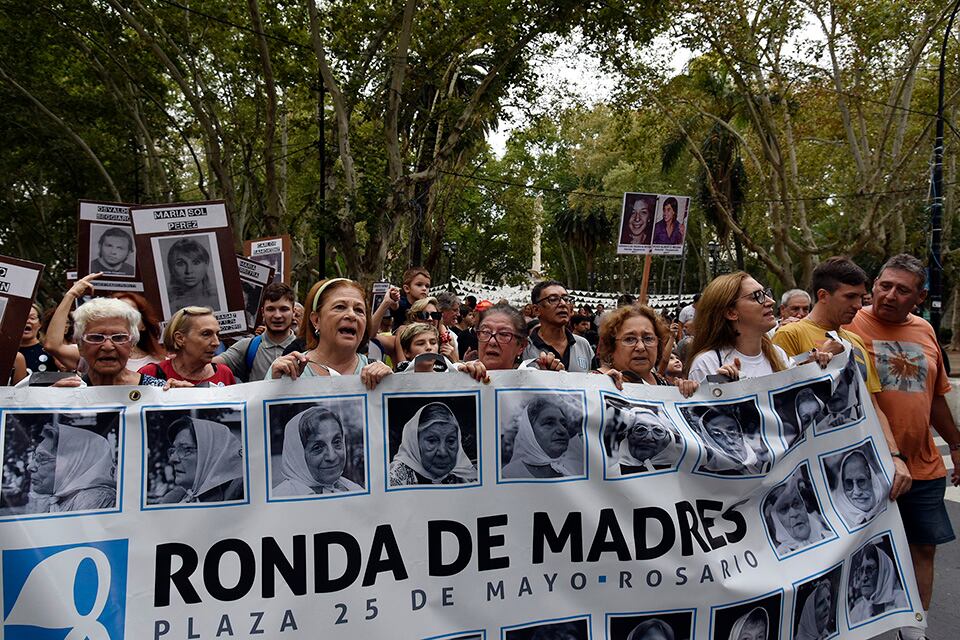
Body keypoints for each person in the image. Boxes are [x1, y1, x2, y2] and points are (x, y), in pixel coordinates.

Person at [845, 254, 960, 639]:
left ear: (920, 297)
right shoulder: (848, 324)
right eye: (884, 285)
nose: (889, 295)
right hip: (864, 468)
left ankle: (915, 632)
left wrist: (957, 444)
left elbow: (937, 397)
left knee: (922, 549)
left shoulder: (926, 331)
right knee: (854, 556)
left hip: (924, 465)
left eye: (902, 290)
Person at [773, 257, 910, 496]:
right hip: (812, 470)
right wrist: (812, 364)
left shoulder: (854, 341)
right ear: (823, 295)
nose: (859, 305)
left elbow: (873, 405)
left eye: (861, 297)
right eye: (850, 296)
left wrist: (895, 456)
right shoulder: (789, 335)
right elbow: (777, 404)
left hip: (858, 463)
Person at [684, 272, 830, 383]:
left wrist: (815, 370)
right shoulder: (707, 363)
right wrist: (724, 389)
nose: (771, 301)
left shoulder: (778, 354)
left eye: (766, 294)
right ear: (731, 312)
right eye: (756, 297)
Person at [269, 278, 392, 389]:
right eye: (340, 307)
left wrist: (392, 386)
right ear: (316, 320)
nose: (352, 315)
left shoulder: (378, 374)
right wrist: (274, 386)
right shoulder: (285, 371)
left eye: (359, 310)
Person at [44, 273, 166, 373]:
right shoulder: (91, 352)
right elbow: (53, 345)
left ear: (143, 324)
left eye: (128, 313)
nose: (108, 346)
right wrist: (71, 295)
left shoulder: (159, 365)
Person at [46, 297, 165, 388]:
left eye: (119, 338)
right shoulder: (70, 393)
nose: (108, 346)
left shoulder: (158, 390)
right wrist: (52, 405)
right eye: (96, 337)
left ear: (132, 345)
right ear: (80, 346)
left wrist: (182, 398)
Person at [596, 304, 698, 395]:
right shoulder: (597, 382)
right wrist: (598, 389)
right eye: (629, 339)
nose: (641, 347)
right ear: (611, 346)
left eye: (648, 338)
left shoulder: (663, 384)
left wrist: (685, 393)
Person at [27, 421, 116, 513]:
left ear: (73, 464)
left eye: (42, 459)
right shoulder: (59, 499)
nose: (30, 467)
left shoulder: (94, 499)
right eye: (34, 458)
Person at [273, 406, 362, 496]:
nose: (332, 456)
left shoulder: (354, 490)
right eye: (317, 448)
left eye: (337, 442)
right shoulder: (279, 499)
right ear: (297, 457)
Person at [216, 282, 296, 381]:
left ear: (293, 312)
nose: (277, 315)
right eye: (271, 309)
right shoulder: (247, 347)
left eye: (284, 309)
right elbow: (209, 366)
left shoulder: (306, 349)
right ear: (263, 312)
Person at [139, 307, 236, 386]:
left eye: (217, 334)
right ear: (180, 338)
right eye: (206, 334)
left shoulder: (224, 373)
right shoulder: (150, 373)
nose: (216, 342)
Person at [156, 417, 244, 503]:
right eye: (173, 450)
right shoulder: (174, 499)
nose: (172, 459)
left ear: (212, 455)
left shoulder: (239, 495)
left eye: (186, 449)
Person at [388, 403, 477, 486]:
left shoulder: (466, 476)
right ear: (414, 444)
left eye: (450, 441)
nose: (443, 453)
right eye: (432, 441)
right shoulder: (394, 479)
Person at [502, 395, 582, 478]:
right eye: (549, 423)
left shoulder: (576, 468)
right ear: (529, 432)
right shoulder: (509, 475)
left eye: (564, 424)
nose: (563, 430)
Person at [523, 280, 594, 372]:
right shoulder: (525, 348)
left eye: (566, 299)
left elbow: (592, 380)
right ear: (536, 310)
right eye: (553, 299)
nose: (563, 304)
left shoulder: (583, 345)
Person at [475, 303, 563, 371]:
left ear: (521, 346)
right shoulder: (464, 372)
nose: (492, 342)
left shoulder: (532, 381)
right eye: (485, 332)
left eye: (503, 334)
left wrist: (551, 381)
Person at [764, 472, 831, 555]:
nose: (794, 513)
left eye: (796, 503)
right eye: (784, 509)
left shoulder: (830, 536)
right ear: (775, 520)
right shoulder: (779, 558)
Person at [694, 406, 770, 475]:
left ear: (740, 430)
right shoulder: (705, 474)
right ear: (709, 440)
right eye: (717, 434)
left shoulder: (767, 459)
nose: (729, 440)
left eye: (732, 431)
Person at [607, 407, 682, 476]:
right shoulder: (611, 476)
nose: (649, 437)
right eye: (640, 429)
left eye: (658, 430)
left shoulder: (683, 474)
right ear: (627, 435)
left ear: (669, 439)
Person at [848, 542, 908, 624]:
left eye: (869, 570)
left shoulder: (902, 601)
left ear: (883, 573)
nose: (863, 578)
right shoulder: (857, 613)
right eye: (861, 571)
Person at [831, 449, 887, 526]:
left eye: (861, 481)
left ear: (872, 479)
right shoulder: (837, 517)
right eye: (849, 483)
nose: (857, 492)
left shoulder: (886, 498)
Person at [166, 238, 219, 312]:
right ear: (171, 267)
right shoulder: (166, 305)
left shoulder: (220, 298)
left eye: (196, 262)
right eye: (180, 264)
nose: (189, 271)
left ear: (206, 264)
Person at [392, 266, 431, 331]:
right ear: (407, 288)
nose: (424, 288)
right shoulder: (401, 303)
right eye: (419, 285)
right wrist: (394, 297)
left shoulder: (428, 306)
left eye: (427, 286)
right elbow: (395, 305)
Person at [20, 304, 55, 374]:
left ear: (40, 324)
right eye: (22, 317)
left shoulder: (49, 352)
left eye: (32, 318)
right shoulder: (6, 350)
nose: (27, 321)